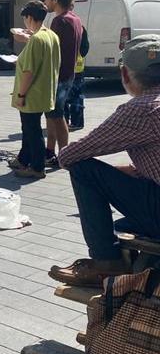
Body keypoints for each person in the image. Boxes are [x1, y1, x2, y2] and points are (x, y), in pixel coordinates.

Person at [48, 35, 160, 287]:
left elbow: (70, 155)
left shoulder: (142, 108)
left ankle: (106, 262)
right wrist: (138, 171)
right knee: (118, 225)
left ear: (125, 74)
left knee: (83, 168)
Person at [9, 0, 60, 179]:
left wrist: (21, 95)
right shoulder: (51, 35)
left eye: (25, 18)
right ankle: (24, 158)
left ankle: (37, 167)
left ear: (29, 17)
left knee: (32, 130)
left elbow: (29, 71)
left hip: (32, 92)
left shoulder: (36, 39)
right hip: (45, 91)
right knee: (29, 128)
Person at [43, 0, 83, 167]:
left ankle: (64, 155)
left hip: (57, 75)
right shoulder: (75, 19)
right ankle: (50, 150)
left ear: (56, 0)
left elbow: (50, 48)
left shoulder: (60, 20)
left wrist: (31, 38)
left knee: (57, 116)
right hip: (68, 74)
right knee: (52, 114)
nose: (45, 2)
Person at [65, 27, 90, 131]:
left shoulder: (62, 25)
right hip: (78, 67)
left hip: (66, 67)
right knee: (77, 96)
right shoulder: (80, 27)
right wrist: (80, 55)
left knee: (64, 96)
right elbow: (86, 46)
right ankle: (77, 122)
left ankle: (64, 121)